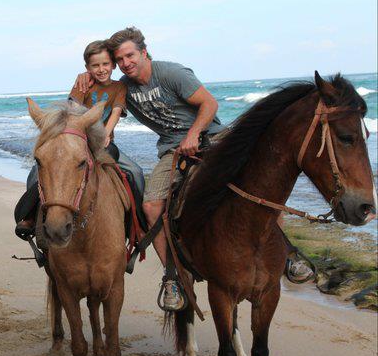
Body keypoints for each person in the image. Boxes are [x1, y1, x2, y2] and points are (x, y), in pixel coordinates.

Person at [76, 27, 314, 312]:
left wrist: (193, 133)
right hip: (173, 151)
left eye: (130, 55)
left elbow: (209, 103)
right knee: (151, 205)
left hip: (214, 138)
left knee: (258, 186)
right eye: (120, 59)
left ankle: (287, 254)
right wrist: (85, 78)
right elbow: (100, 92)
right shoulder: (123, 88)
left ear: (144, 52)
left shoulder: (171, 73)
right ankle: (172, 277)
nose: (126, 63)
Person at [14, 40, 145, 243]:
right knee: (37, 172)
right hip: (77, 142)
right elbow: (71, 110)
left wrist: (105, 134)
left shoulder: (119, 87)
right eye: (95, 65)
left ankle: (138, 225)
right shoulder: (82, 84)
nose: (101, 69)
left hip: (103, 144)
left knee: (135, 172)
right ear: (87, 67)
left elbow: (116, 112)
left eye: (105, 64)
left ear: (112, 65)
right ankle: (31, 216)